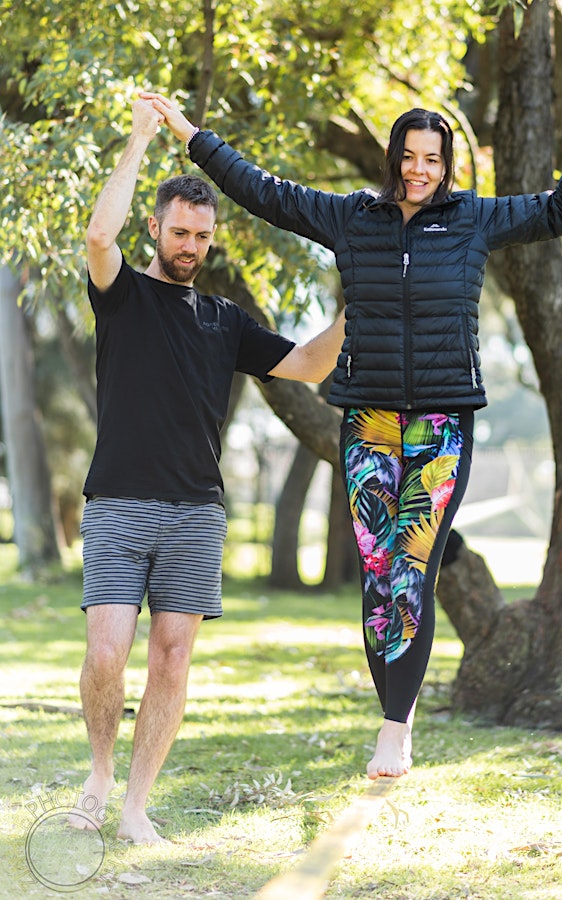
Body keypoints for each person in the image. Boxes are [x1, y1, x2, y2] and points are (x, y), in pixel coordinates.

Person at [144, 80, 562, 781]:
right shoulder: (352, 218)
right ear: (395, 156)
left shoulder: (472, 220)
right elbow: (264, 192)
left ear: (446, 163)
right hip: (367, 415)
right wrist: (192, 135)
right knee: (377, 572)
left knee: (412, 564)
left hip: (441, 419)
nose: (420, 170)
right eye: (410, 156)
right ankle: (392, 713)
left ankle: (395, 731)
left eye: (433, 158)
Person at [68, 97, 345, 844]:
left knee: (172, 656)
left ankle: (134, 807)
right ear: (155, 228)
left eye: (201, 235)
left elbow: (311, 364)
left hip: (196, 513)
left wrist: (364, 293)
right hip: (120, 506)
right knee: (107, 651)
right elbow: (98, 232)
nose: (190, 245)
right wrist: (139, 139)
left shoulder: (227, 322)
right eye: (179, 231)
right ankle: (98, 771)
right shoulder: (121, 295)